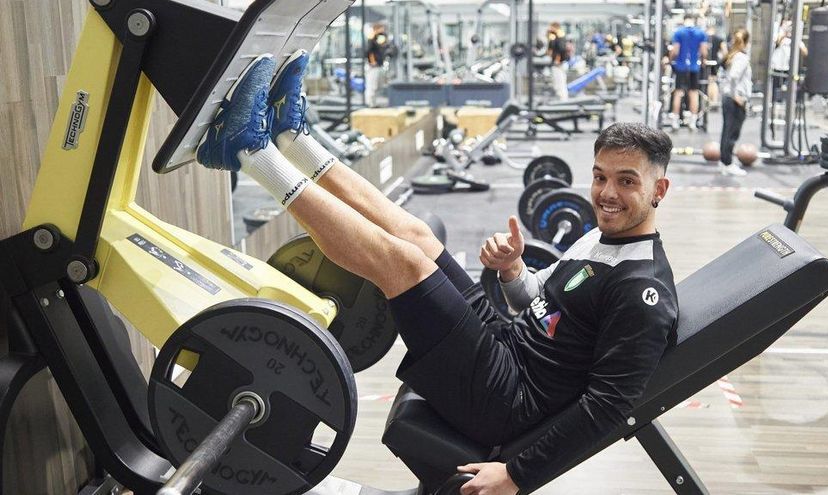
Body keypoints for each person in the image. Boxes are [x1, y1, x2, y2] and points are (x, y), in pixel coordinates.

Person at [196, 50, 678, 495]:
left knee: (403, 264)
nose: (606, 193)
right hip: (506, 345)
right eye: (599, 176)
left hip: (509, 399)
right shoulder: (600, 237)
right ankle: (293, 140)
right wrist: (512, 269)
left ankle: (250, 153)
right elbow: (546, 307)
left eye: (626, 182)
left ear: (659, 190)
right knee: (420, 238)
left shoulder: (642, 291)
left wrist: (516, 474)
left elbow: (609, 407)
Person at [718, 28, 752, 177]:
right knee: (732, 133)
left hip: (729, 98)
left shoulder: (732, 56)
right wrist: (736, 96)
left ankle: (724, 162)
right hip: (734, 100)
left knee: (727, 131)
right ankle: (727, 163)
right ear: (746, 42)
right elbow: (733, 77)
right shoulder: (742, 58)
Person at [669, 14, 708, 130]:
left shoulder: (678, 32)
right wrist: (703, 61)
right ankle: (692, 121)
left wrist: (671, 60)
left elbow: (675, 50)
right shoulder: (700, 33)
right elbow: (704, 51)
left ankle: (675, 121)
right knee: (694, 93)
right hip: (694, 67)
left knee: (678, 92)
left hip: (681, 67)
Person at [365, 23, 389, 107]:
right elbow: (369, 52)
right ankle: (370, 104)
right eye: (380, 29)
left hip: (379, 65)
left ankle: (374, 103)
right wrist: (372, 62)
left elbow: (384, 46)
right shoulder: (371, 40)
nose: (382, 31)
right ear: (376, 29)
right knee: (372, 86)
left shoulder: (379, 39)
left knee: (377, 86)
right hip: (373, 67)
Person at [705, 26, 728, 107]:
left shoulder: (704, 38)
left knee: (708, 81)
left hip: (705, 62)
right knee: (713, 81)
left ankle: (709, 100)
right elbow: (725, 52)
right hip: (714, 62)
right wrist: (721, 61)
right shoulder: (719, 39)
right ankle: (713, 100)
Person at [547, 22, 570, 101]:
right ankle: (561, 97)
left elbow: (561, 49)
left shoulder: (560, 36)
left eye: (551, 27)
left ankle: (563, 99)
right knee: (558, 81)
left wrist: (558, 60)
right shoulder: (555, 35)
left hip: (559, 63)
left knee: (560, 81)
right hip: (557, 62)